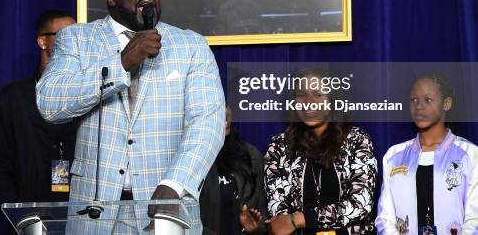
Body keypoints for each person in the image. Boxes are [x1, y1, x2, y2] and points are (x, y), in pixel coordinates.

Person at [36, 0, 225, 233]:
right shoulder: (77, 39)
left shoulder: (190, 45)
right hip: (95, 214)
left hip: (164, 212)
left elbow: (208, 122)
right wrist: (121, 64)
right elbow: (49, 102)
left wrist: (175, 183)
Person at [255, 69, 377, 235]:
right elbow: (279, 216)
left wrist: (298, 219)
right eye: (302, 94)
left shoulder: (357, 140)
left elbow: (361, 204)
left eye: (318, 94)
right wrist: (289, 221)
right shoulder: (279, 146)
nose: (309, 101)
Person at [0, 10, 77, 206]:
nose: (74, 42)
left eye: (77, 35)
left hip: (78, 215)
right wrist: (20, 215)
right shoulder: (13, 97)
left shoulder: (87, 95)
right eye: (65, 35)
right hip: (26, 213)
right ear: (42, 41)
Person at [376, 73, 478, 235]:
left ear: (446, 103)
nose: (419, 106)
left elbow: (475, 219)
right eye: (413, 100)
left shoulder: (470, 154)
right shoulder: (394, 155)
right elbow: (385, 218)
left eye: (428, 100)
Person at [200, 106, 268, 235]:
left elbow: (264, 217)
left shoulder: (251, 156)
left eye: (224, 103)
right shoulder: (188, 160)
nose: (225, 113)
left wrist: (255, 228)